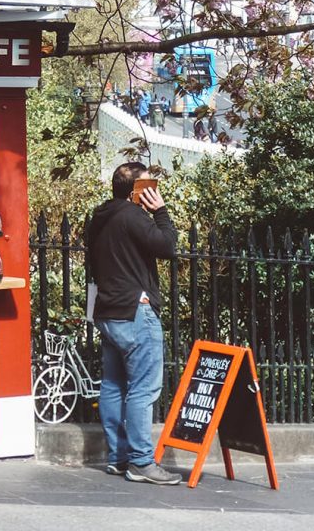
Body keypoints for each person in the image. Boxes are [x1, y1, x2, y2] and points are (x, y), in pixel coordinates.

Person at [87, 162, 180, 485]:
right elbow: (167, 247)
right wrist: (161, 212)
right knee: (143, 388)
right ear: (134, 190)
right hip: (135, 312)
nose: (152, 189)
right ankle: (142, 461)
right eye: (146, 185)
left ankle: (119, 457)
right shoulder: (132, 215)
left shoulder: (99, 217)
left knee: (113, 385)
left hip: (107, 312)